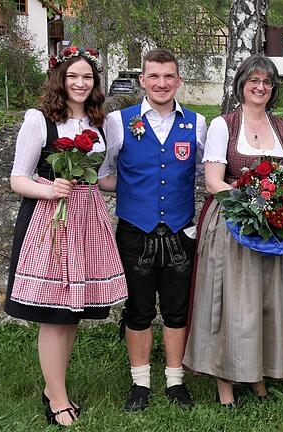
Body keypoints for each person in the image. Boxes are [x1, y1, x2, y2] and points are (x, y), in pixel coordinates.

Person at [5, 46, 127, 426]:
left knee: (71, 314)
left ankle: (53, 388)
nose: (80, 83)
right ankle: (57, 398)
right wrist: (50, 190)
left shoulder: (100, 123)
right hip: (50, 221)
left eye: (87, 77)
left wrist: (140, 182)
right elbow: (18, 178)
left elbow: (104, 179)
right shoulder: (40, 119)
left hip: (87, 220)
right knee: (54, 316)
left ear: (95, 84)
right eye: (73, 76)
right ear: (60, 79)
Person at [183, 54, 283, 408]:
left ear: (273, 87)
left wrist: (276, 202)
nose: (260, 87)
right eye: (254, 81)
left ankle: (259, 375)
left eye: (266, 82)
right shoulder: (224, 125)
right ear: (242, 84)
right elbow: (214, 182)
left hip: (273, 226)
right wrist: (253, 198)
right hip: (231, 222)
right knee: (231, 303)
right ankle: (226, 382)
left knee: (267, 299)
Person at [99, 49, 207, 411]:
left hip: (180, 231)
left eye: (169, 76)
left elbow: (208, 174)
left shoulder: (197, 123)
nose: (161, 83)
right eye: (154, 76)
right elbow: (104, 175)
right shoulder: (118, 121)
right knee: (138, 310)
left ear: (178, 81)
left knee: (177, 310)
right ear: (142, 80)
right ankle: (140, 384)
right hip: (135, 230)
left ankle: (175, 382)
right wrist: (136, 190)